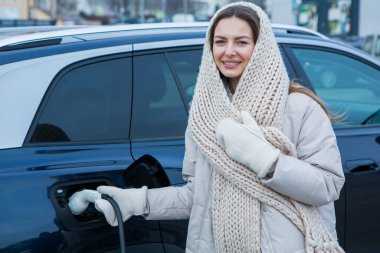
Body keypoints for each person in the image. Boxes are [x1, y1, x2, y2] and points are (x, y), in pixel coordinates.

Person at [94, 2, 345, 253]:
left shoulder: (299, 108)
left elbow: (327, 185)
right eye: (220, 41)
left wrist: (263, 158)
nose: (229, 51)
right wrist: (138, 201)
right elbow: (197, 197)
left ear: (261, 48)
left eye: (241, 42)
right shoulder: (203, 116)